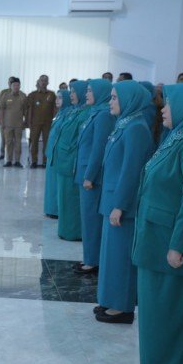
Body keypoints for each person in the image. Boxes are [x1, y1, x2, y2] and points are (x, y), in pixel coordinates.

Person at [133, 83, 183, 364]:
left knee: (165, 319)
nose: (162, 109)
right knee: (154, 319)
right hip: (153, 241)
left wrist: (178, 245)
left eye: (168, 104)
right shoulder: (175, 136)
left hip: (168, 248)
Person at [95, 80, 154, 324]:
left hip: (121, 205)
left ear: (128, 99)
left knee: (120, 256)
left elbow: (131, 171)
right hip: (111, 198)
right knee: (110, 254)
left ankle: (122, 307)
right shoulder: (125, 123)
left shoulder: (136, 128)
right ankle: (110, 299)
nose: (110, 102)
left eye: (114, 98)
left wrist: (120, 205)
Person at [73, 79, 116, 274]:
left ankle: (92, 261)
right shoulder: (96, 112)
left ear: (100, 92)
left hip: (92, 177)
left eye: (90, 91)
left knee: (91, 219)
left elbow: (98, 148)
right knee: (87, 218)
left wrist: (90, 176)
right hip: (84, 171)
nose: (86, 94)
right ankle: (89, 257)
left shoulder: (103, 115)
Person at [52, 80, 91, 241]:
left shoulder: (86, 113)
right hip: (63, 161)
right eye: (71, 92)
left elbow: (81, 141)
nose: (71, 95)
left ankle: (73, 232)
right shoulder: (75, 111)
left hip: (71, 163)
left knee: (71, 199)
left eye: (74, 92)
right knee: (64, 198)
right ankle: (65, 229)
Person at [43, 89, 72, 219]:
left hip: (58, 154)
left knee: (56, 184)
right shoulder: (60, 113)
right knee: (50, 184)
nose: (57, 100)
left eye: (60, 98)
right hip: (52, 153)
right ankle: (50, 208)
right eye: (57, 97)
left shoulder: (68, 115)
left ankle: (55, 210)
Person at [26, 75, 56, 168]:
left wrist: (55, 121)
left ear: (48, 82)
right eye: (42, 80)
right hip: (35, 123)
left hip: (48, 123)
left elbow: (55, 109)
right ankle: (33, 161)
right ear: (38, 82)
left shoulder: (52, 94)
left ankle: (45, 161)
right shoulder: (32, 95)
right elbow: (28, 109)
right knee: (34, 142)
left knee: (47, 143)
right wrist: (28, 122)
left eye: (45, 80)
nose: (43, 82)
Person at [0, 77, 27, 168]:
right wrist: (1, 121)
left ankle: (17, 161)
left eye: (18, 85)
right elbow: (1, 109)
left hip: (19, 124)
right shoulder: (6, 95)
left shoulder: (23, 96)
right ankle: (9, 161)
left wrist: (25, 121)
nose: (16, 87)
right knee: (8, 142)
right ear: (11, 86)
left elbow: (26, 110)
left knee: (18, 143)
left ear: (20, 86)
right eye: (14, 85)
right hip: (7, 124)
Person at [0, 76, 16, 161]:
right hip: (4, 118)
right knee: (3, 137)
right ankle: (2, 153)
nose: (10, 83)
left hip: (14, 119)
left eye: (12, 82)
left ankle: (12, 155)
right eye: (9, 82)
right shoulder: (4, 92)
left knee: (13, 139)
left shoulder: (18, 93)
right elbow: (0, 106)